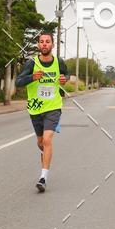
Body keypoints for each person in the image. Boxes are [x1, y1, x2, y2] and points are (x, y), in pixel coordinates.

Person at [15, 31, 68, 192]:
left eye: (47, 41)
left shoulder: (59, 62)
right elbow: (18, 82)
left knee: (46, 140)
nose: (44, 44)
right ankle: (46, 156)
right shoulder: (31, 64)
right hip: (36, 108)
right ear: (39, 45)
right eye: (41, 42)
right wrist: (32, 77)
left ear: (52, 45)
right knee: (41, 143)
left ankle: (43, 177)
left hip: (53, 107)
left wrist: (65, 79)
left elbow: (66, 74)